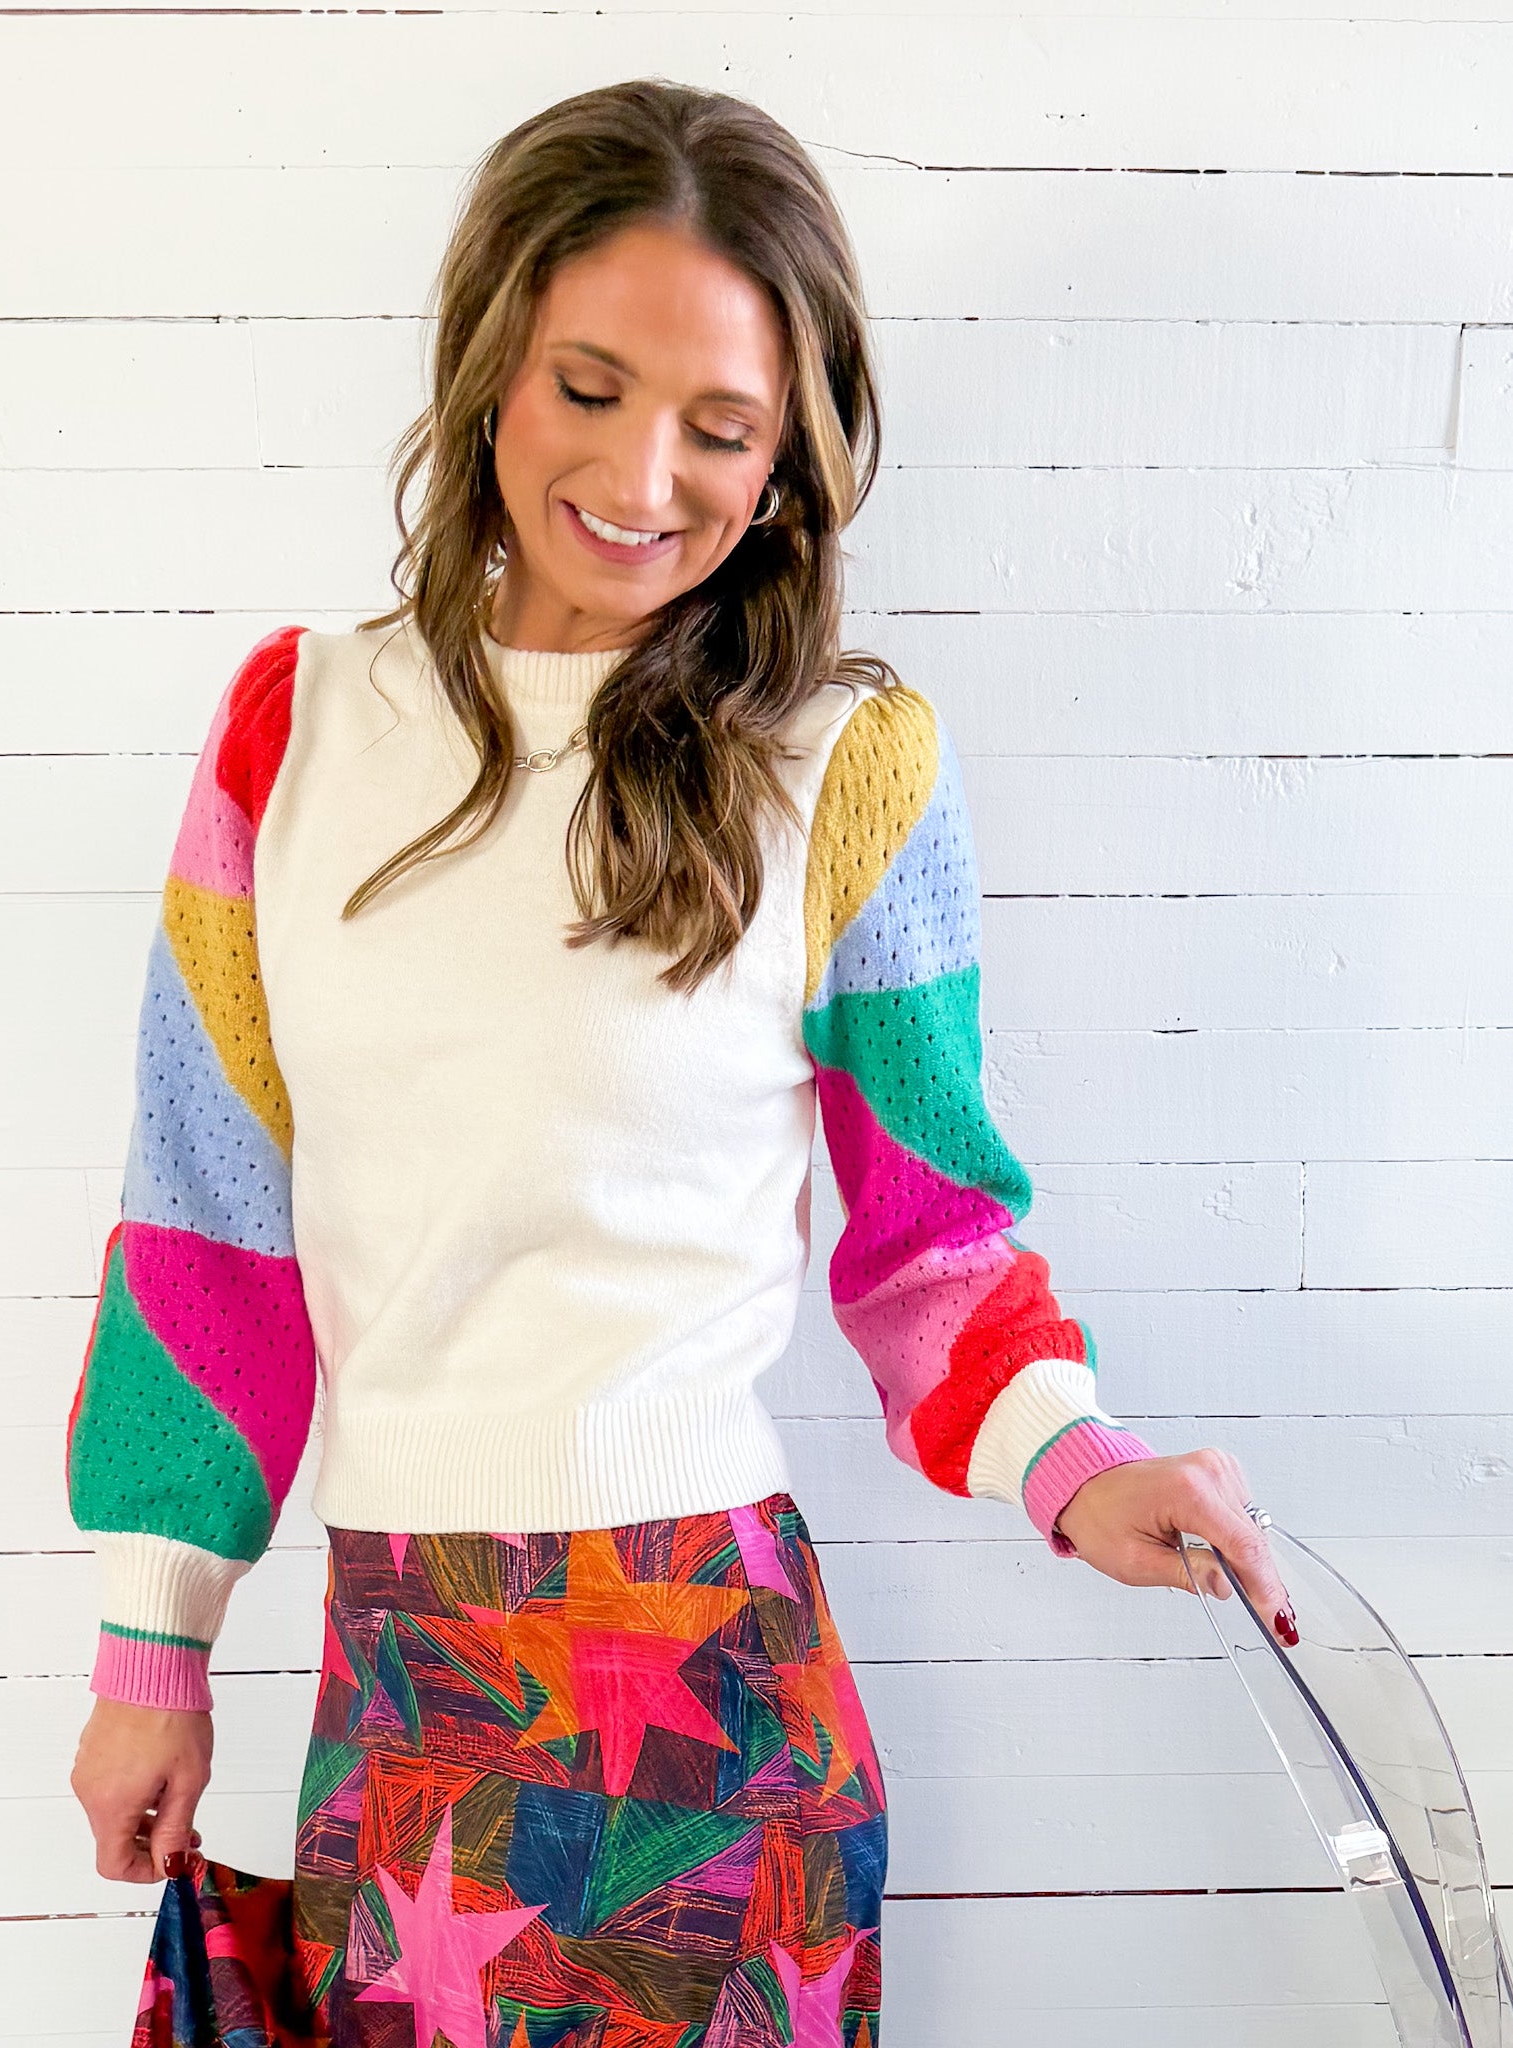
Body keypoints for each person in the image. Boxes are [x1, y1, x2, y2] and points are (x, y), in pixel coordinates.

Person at [66, 77, 1290, 2046]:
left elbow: (932, 1242)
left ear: (787, 456)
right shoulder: (295, 731)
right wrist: (153, 1646)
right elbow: (208, 1234)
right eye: (590, 386)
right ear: (491, 366)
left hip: (724, 1710)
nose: (645, 474)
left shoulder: (843, 762)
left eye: (720, 428)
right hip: (411, 1683)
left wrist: (1080, 1463)